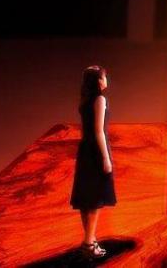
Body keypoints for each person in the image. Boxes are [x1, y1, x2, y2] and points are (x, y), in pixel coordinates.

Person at [69, 64, 116, 258]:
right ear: (98, 81)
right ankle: (89, 244)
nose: (106, 80)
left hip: (85, 149)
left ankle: (90, 240)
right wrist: (105, 158)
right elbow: (99, 131)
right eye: (104, 77)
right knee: (96, 199)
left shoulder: (85, 100)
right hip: (96, 151)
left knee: (86, 199)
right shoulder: (99, 99)